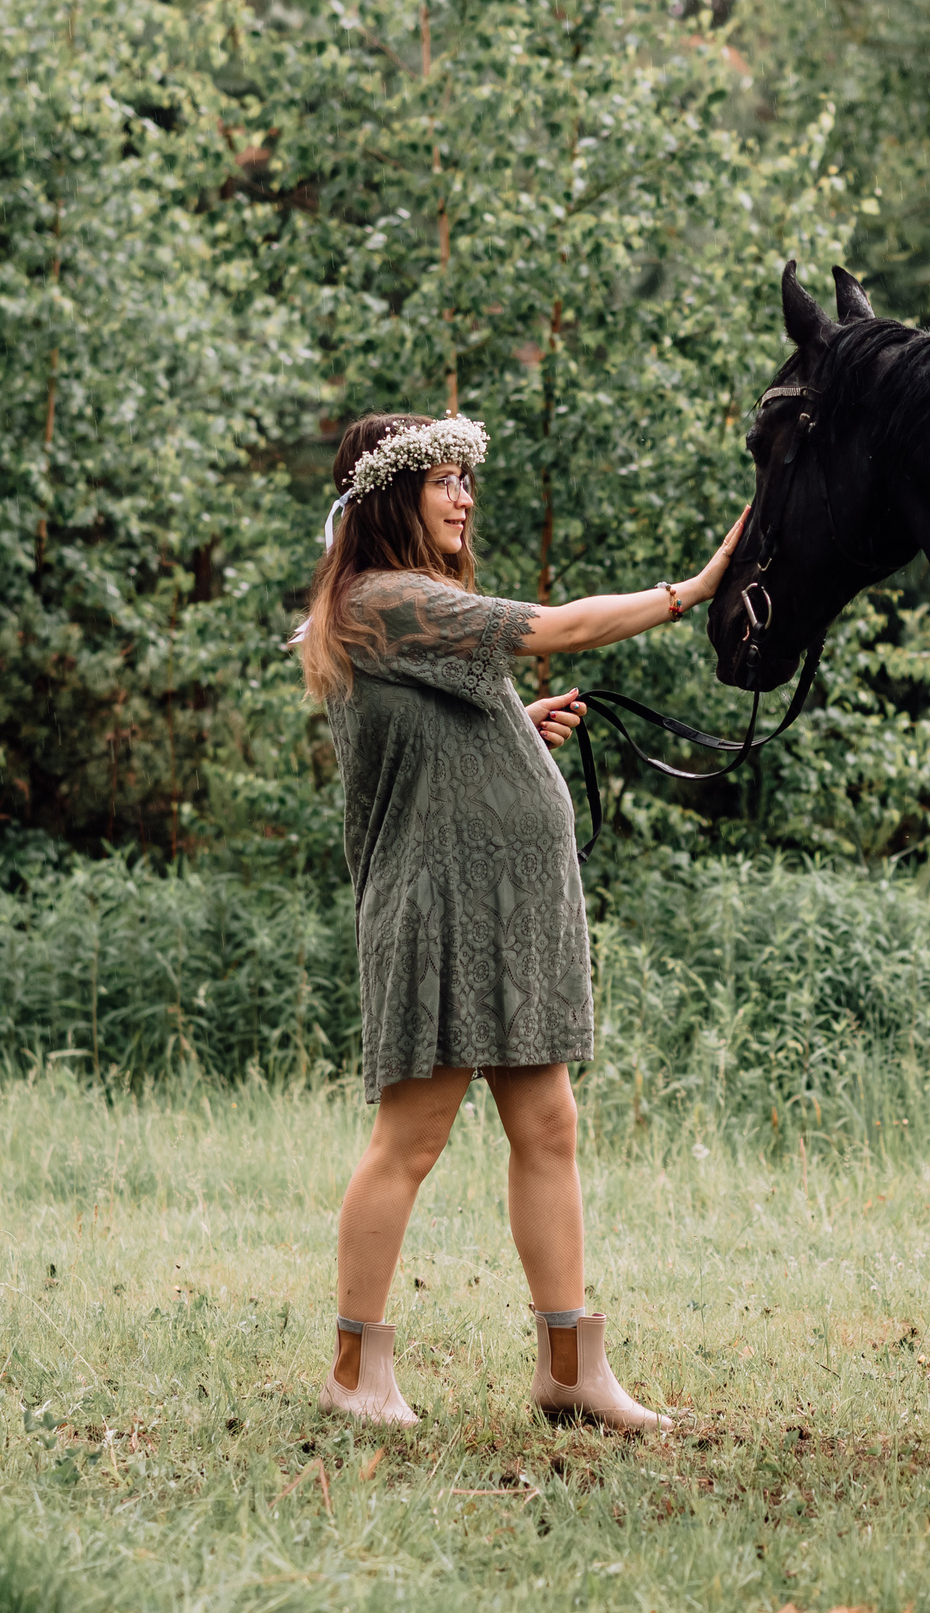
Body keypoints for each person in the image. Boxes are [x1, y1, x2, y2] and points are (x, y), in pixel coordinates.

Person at [293, 411, 741, 1431]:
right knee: (410, 1137)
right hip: (441, 906)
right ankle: (354, 1373)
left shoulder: (418, 607)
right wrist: (694, 589)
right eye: (444, 479)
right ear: (389, 493)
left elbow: (426, 741)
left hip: (507, 903)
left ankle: (571, 1371)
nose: (464, 497)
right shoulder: (388, 598)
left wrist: (510, 729)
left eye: (467, 480)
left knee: (546, 1124)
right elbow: (555, 627)